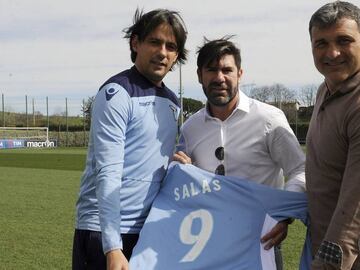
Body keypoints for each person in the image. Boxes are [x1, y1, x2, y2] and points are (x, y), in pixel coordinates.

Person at [173, 37, 305, 270]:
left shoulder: (269, 119)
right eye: (211, 70)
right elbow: (182, 181)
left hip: (261, 243)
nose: (219, 78)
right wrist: (180, 169)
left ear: (240, 74)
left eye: (227, 70)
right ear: (199, 75)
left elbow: (300, 169)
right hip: (209, 245)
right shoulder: (190, 128)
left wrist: (282, 215)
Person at [72, 8, 188, 270]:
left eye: (171, 46)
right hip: (104, 231)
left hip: (149, 230)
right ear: (136, 43)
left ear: (176, 56)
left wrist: (179, 166)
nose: (162, 52)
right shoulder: (116, 93)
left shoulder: (172, 102)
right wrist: (112, 247)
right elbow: (108, 172)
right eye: (155, 42)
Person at [306, 1, 360, 269]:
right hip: (317, 242)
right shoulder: (324, 90)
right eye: (321, 43)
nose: (333, 52)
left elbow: (355, 205)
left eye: (344, 40)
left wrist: (328, 263)